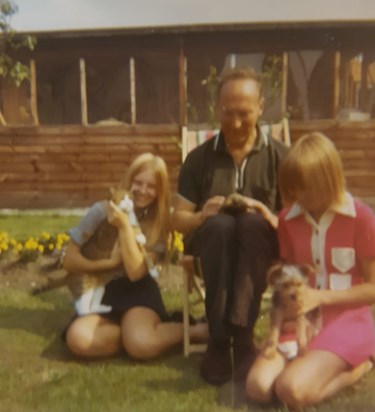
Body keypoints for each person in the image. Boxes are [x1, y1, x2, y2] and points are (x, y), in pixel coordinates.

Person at [171, 67, 288, 385]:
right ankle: (224, 342)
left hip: (260, 247)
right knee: (222, 227)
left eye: (244, 113)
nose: (235, 123)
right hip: (211, 247)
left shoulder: (283, 159)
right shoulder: (198, 159)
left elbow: (297, 222)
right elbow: (178, 220)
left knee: (251, 225)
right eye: (226, 112)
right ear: (215, 107)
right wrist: (201, 216)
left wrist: (268, 215)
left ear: (261, 107)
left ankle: (238, 335)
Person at [246, 132, 375, 409]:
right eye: (291, 188)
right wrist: (276, 325)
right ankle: (311, 362)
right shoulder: (288, 219)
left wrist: (321, 298)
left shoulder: (361, 218)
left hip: (346, 320)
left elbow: (373, 288)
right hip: (301, 321)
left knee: (291, 390)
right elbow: (290, 278)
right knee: (258, 387)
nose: (294, 196)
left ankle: (358, 367)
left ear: (326, 181)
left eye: (301, 188)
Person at [63, 153, 207, 360]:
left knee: (142, 343)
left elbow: (136, 272)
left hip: (138, 291)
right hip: (101, 290)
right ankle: (134, 338)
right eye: (137, 183)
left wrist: (124, 226)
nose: (142, 191)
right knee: (78, 339)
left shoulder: (159, 224)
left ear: (159, 191)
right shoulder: (101, 211)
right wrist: (108, 263)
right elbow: (69, 261)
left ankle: (194, 331)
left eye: (151, 186)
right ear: (128, 181)